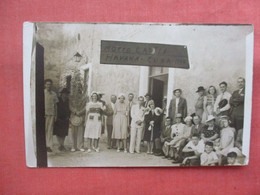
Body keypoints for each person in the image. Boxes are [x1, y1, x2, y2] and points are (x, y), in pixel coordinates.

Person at [70, 83, 87, 152]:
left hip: (81, 116)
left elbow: (86, 106)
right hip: (74, 116)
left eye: (80, 87)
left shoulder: (85, 97)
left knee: (81, 132)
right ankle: (73, 146)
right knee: (73, 132)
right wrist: (75, 111)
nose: (78, 89)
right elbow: (70, 105)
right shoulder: (71, 97)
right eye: (77, 87)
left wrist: (80, 112)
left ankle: (80, 146)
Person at [44, 79, 59, 152]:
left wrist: (56, 115)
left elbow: (56, 105)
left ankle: (49, 146)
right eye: (47, 84)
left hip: (52, 114)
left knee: (50, 130)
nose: (48, 86)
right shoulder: (43, 93)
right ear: (45, 85)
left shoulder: (54, 94)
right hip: (44, 114)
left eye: (50, 84)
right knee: (44, 129)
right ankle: (43, 145)